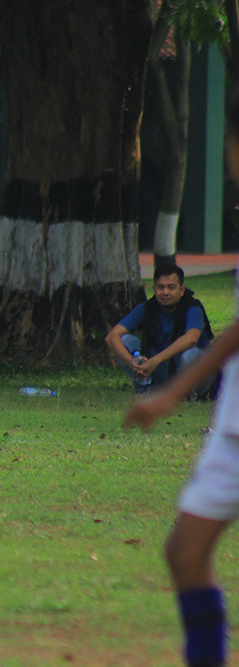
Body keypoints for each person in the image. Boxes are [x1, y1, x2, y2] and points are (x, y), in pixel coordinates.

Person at [123, 86, 239, 667]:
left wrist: (170, 390)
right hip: (233, 424)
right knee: (185, 553)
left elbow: (206, 335)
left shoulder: (188, 306)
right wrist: (168, 395)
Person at [105, 264, 214, 395]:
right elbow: (112, 336)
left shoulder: (192, 308)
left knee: (189, 354)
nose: (165, 292)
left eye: (171, 288)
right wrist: (132, 362)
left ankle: (186, 395)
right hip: (161, 369)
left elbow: (191, 339)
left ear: (182, 290)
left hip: (195, 373)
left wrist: (155, 361)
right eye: (160, 287)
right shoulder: (147, 308)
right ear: (154, 289)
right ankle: (147, 389)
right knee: (124, 340)